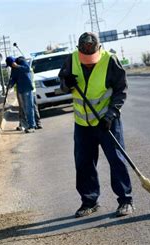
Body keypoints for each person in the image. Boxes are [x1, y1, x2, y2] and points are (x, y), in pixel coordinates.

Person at [59, 32, 134, 217]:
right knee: (83, 163)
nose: (88, 62)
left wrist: (111, 115)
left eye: (92, 58)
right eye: (85, 58)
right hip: (83, 124)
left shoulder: (110, 61)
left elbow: (121, 90)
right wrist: (66, 83)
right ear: (78, 50)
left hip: (107, 122)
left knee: (116, 160)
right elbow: (62, 84)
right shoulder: (72, 60)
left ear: (99, 49)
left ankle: (125, 200)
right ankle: (89, 201)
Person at [7, 56, 43, 131]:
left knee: (29, 107)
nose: (11, 66)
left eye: (11, 64)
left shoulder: (21, 61)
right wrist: (10, 85)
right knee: (25, 108)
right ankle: (30, 125)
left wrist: (17, 66)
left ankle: (32, 126)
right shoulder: (13, 69)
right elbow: (13, 78)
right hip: (21, 89)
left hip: (27, 88)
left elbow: (27, 69)